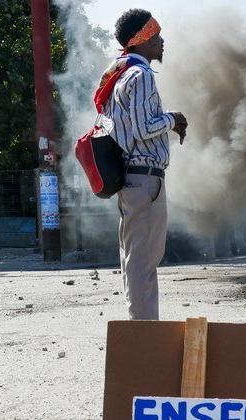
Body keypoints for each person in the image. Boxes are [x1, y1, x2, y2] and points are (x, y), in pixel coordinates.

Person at [97, 9, 188, 320]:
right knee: (143, 261)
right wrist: (173, 119)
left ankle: (142, 327)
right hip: (145, 180)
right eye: (156, 36)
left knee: (136, 258)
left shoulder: (120, 73)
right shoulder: (141, 75)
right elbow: (143, 128)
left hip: (134, 181)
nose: (162, 42)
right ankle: (144, 332)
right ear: (142, 39)